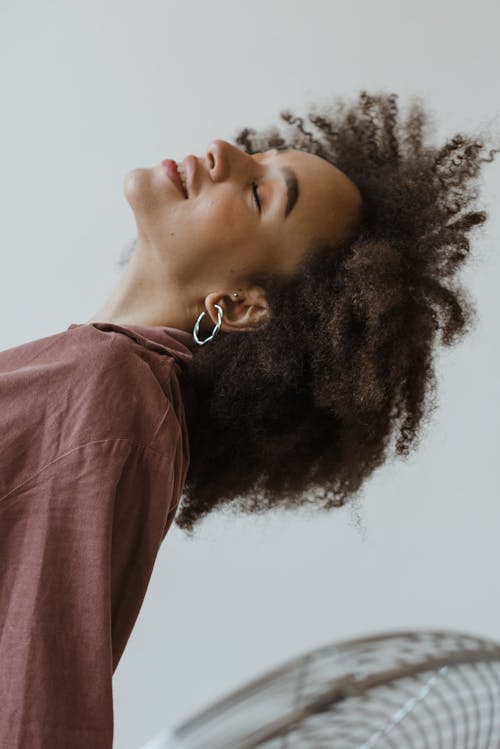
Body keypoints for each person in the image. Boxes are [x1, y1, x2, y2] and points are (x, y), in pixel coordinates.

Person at [0, 90, 497, 748]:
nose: (224, 153)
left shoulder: (108, 395)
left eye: (261, 193)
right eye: (259, 157)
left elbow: (37, 704)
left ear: (236, 306)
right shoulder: (115, 389)